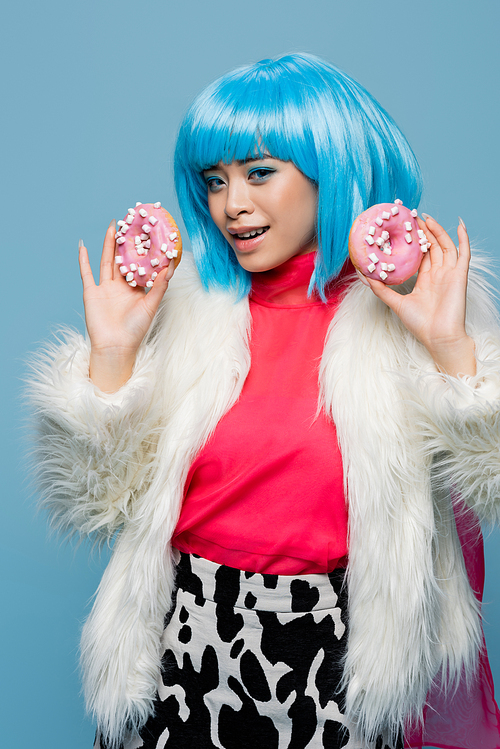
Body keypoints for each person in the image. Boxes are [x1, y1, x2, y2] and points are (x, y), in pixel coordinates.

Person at [28, 54, 500, 749]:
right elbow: (95, 505)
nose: (231, 204)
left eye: (258, 172)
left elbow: (481, 488)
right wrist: (113, 355)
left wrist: (453, 352)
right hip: (180, 642)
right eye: (215, 180)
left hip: (339, 655)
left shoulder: (415, 309)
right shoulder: (187, 306)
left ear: (328, 169)